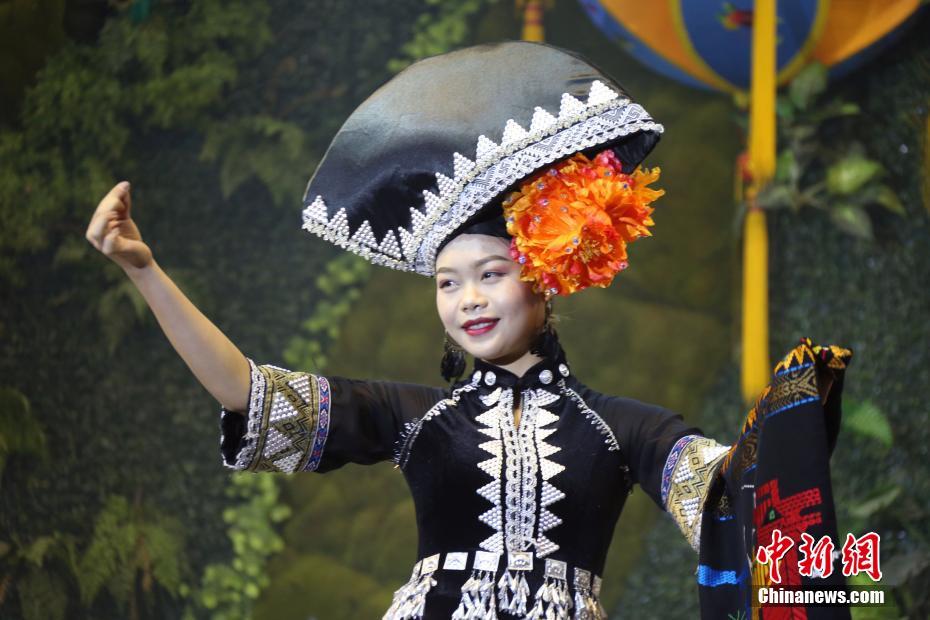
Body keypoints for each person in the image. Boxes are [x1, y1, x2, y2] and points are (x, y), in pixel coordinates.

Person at [86, 41, 853, 620]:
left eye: (490, 273)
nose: (468, 300)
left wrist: (791, 419)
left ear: (543, 274)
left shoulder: (626, 429)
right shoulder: (415, 417)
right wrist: (145, 272)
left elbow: (727, 493)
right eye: (447, 283)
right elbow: (248, 394)